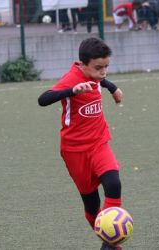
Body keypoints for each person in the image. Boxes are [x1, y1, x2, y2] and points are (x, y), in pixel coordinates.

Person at [38, 37, 124, 250]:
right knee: (92, 204)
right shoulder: (72, 78)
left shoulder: (94, 73)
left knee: (113, 183)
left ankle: (109, 244)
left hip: (99, 142)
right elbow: (43, 99)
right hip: (74, 150)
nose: (103, 72)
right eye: (98, 68)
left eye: (106, 67)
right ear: (83, 64)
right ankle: (106, 236)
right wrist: (72, 91)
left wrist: (113, 88)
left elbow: (100, 80)